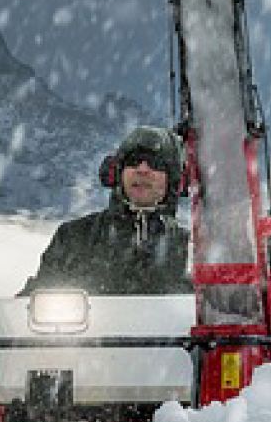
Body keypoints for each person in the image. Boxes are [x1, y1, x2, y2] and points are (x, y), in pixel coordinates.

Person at [19, 126, 193, 296]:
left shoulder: (191, 250)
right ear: (116, 173)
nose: (142, 170)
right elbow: (29, 305)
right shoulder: (74, 237)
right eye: (133, 161)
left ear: (175, 181)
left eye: (155, 164)